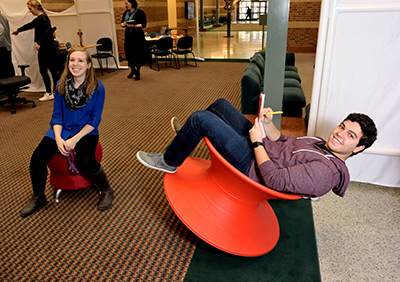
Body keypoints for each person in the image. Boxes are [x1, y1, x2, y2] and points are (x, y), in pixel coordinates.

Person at [137, 98, 377, 198]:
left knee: (201, 118)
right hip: (260, 149)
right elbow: (282, 140)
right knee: (221, 105)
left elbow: (273, 179)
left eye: (350, 136)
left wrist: (256, 141)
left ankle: (169, 161)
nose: (339, 134)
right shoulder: (320, 143)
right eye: (342, 127)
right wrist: (267, 124)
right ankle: (188, 137)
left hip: (253, 166)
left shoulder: (327, 172)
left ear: (358, 148)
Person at [20, 48, 114, 218]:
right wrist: (57, 138)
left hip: (86, 131)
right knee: (36, 159)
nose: (75, 64)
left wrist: (75, 140)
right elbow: (56, 116)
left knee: (86, 159)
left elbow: (95, 120)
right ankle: (39, 196)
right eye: (72, 60)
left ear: (88, 65)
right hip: (62, 129)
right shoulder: (60, 84)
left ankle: (106, 190)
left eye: (80, 61)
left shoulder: (98, 88)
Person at [12, 0, 59, 102]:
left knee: (49, 70)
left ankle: (51, 92)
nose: (29, 11)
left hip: (46, 48)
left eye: (30, 8)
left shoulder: (43, 18)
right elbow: (29, 25)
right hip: (46, 48)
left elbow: (47, 32)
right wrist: (18, 30)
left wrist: (40, 43)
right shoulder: (39, 19)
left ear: (35, 7)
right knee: (48, 70)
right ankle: (52, 92)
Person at [121, 0, 147, 80]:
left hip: (137, 37)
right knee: (129, 54)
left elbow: (143, 25)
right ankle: (132, 70)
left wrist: (134, 26)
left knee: (138, 54)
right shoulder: (126, 13)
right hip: (128, 37)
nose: (126, 5)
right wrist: (124, 24)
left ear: (131, 3)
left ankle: (138, 71)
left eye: (127, 3)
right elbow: (122, 23)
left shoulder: (140, 12)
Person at [0, 10, 14, 79]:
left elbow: (1, 29)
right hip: (6, 47)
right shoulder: (3, 16)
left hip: (2, 48)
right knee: (8, 73)